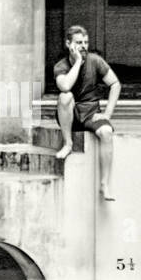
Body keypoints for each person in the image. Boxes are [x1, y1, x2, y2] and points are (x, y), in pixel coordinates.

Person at [52, 26, 121, 201]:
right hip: (71, 114)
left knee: (106, 132)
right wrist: (76, 63)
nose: (83, 46)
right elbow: (65, 86)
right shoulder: (61, 66)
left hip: (91, 113)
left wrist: (107, 114)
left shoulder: (96, 61)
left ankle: (104, 184)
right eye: (78, 43)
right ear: (69, 44)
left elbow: (115, 84)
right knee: (65, 96)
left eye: (85, 42)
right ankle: (68, 143)